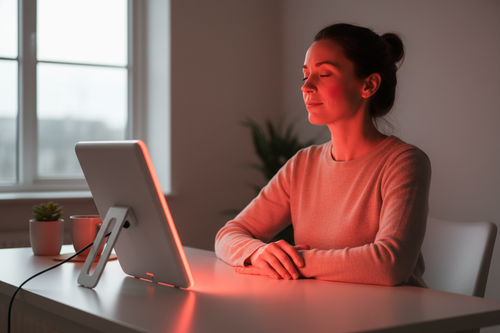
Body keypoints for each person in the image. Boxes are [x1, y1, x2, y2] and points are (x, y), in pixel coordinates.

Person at [215, 23, 431, 287]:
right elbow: (229, 234)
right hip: (319, 313)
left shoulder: (404, 162)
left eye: (325, 74)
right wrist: (258, 253)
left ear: (369, 85)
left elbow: (390, 265)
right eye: (305, 75)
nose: (306, 86)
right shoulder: (302, 164)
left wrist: (294, 260)